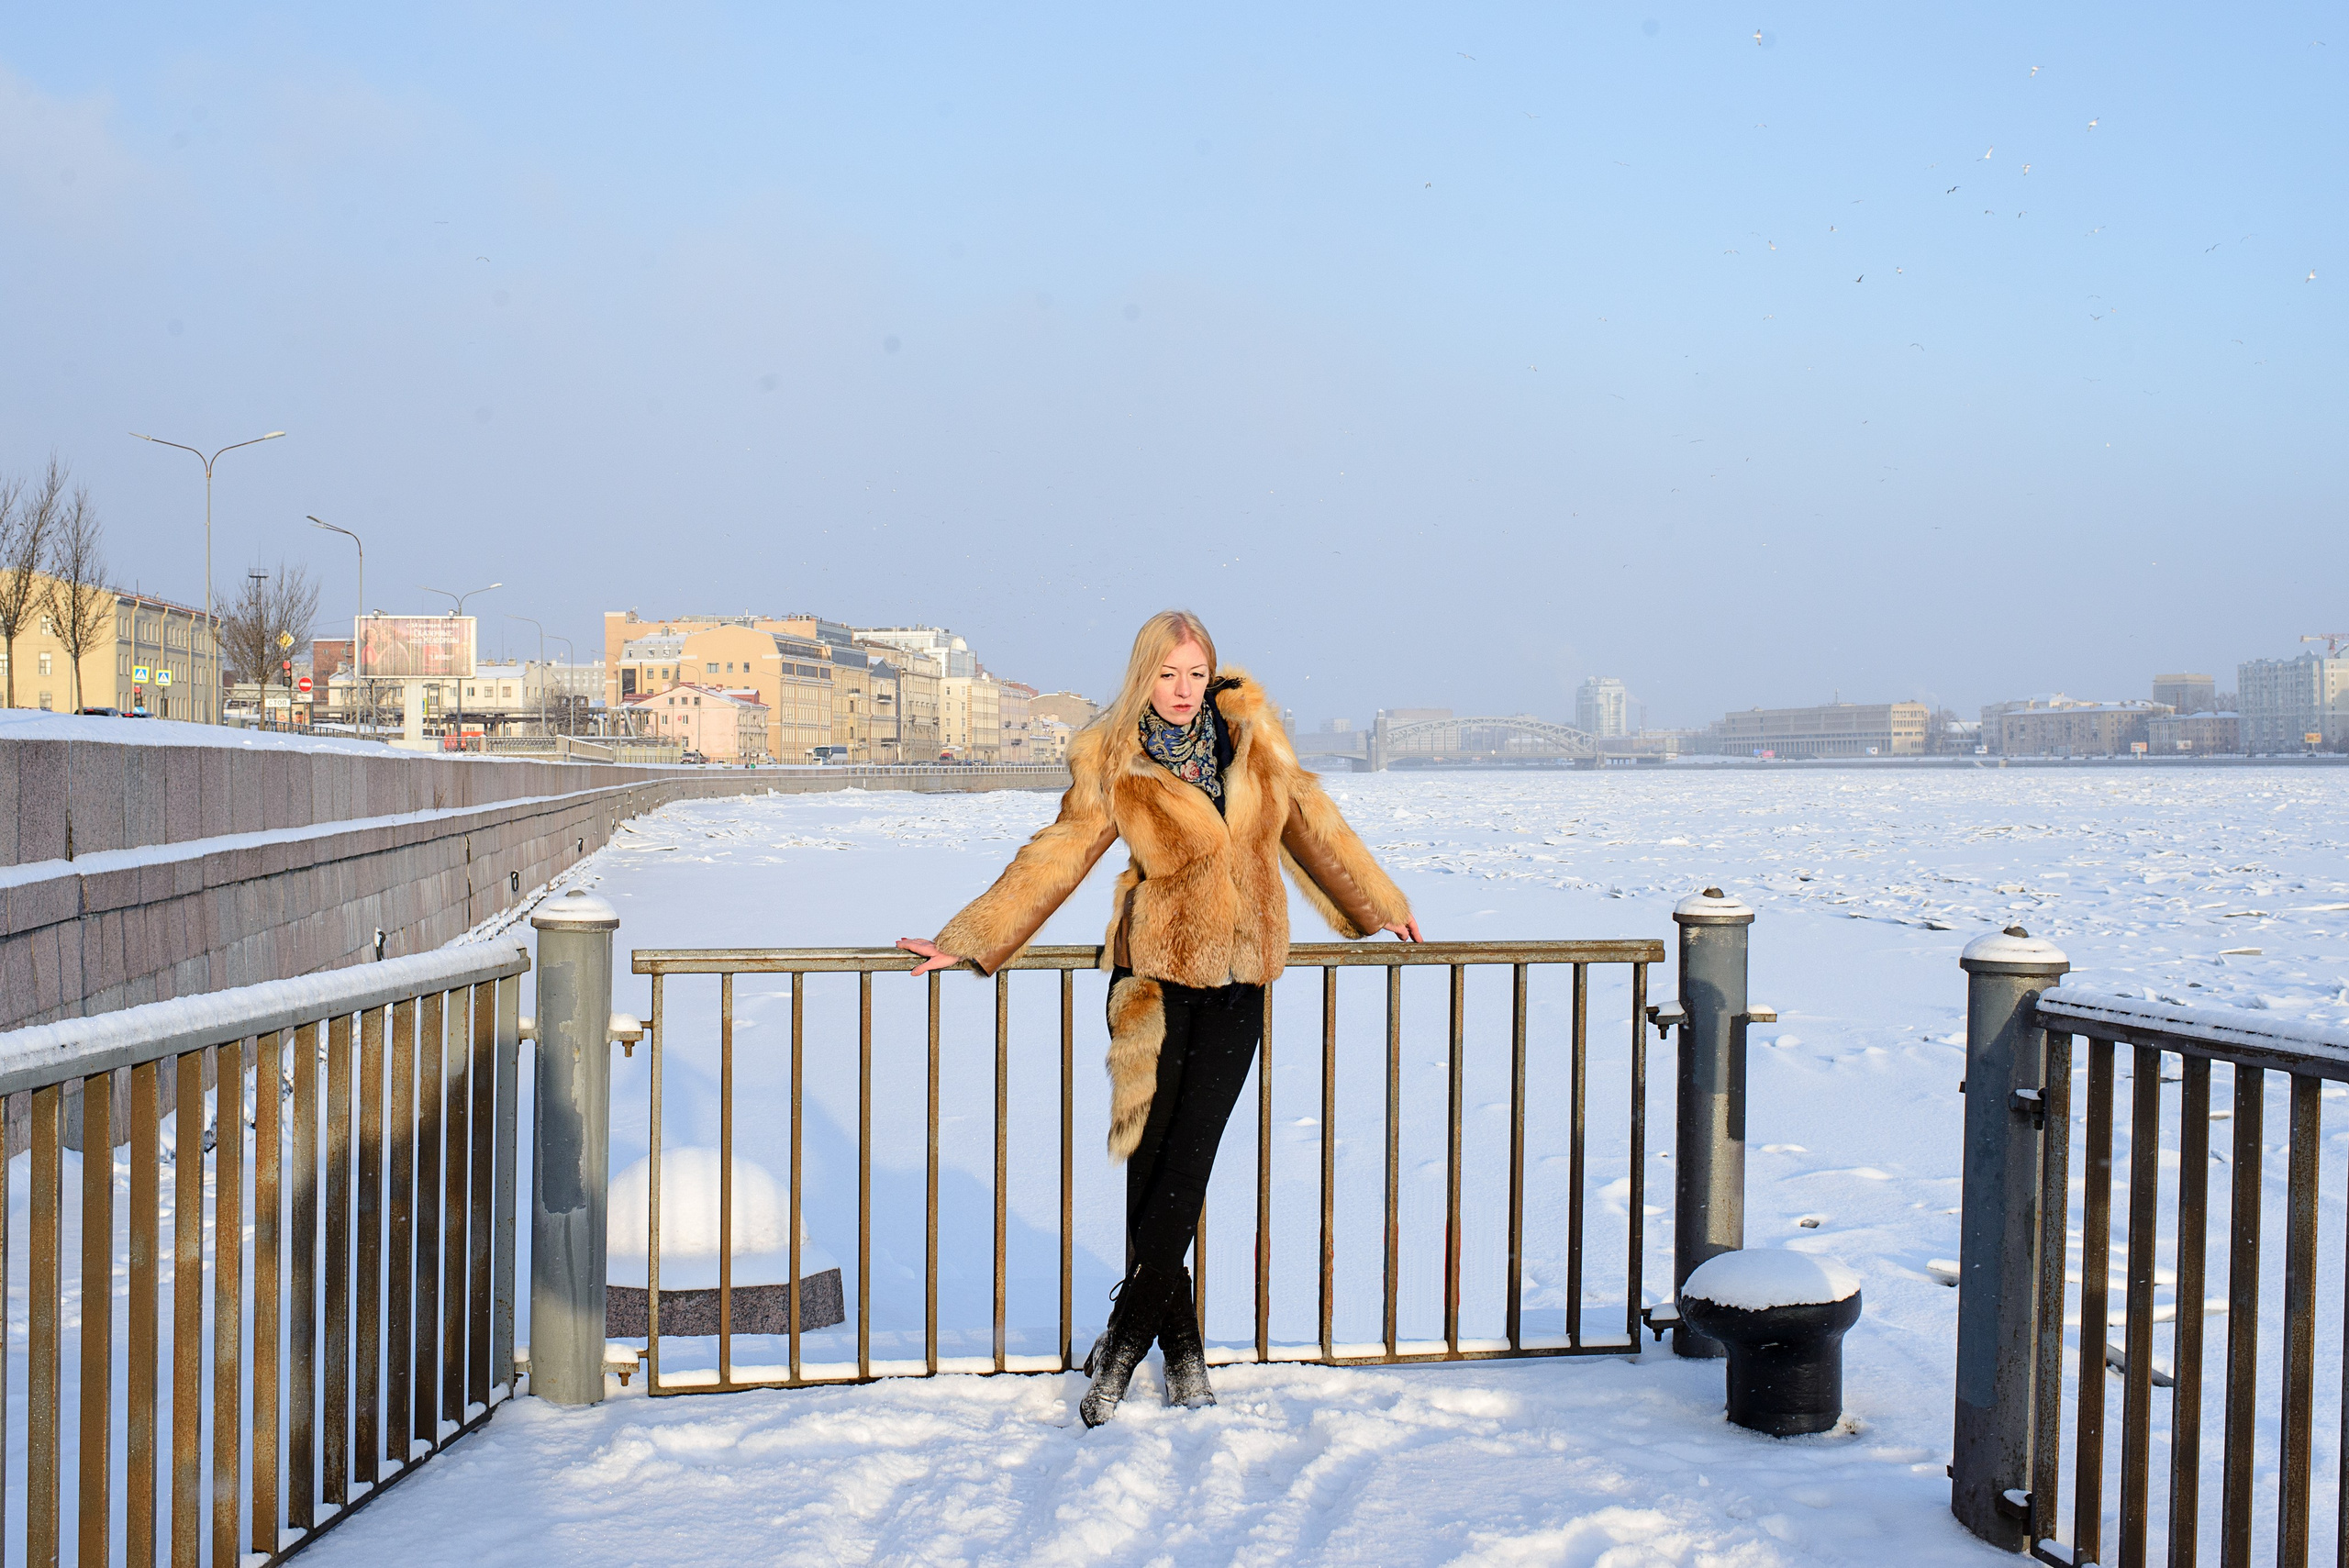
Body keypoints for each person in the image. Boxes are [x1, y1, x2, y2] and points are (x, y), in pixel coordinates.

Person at [898, 610, 1420, 1426]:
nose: (1181, 691)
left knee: (1189, 1167)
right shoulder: (1118, 757)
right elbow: (1061, 851)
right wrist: (970, 939)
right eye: (1166, 674)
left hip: (1241, 979)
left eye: (1193, 672)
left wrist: (1376, 903)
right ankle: (1181, 1350)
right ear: (1145, 675)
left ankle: (1124, 1340)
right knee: (1153, 1173)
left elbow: (1315, 824)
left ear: (1212, 671)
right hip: (1154, 982)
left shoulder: (1252, 737)